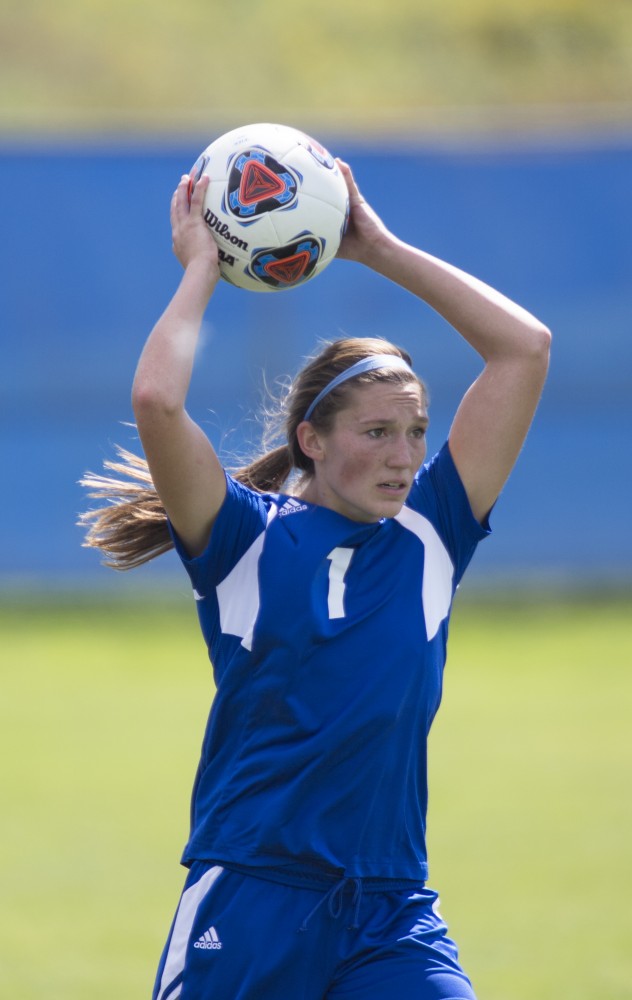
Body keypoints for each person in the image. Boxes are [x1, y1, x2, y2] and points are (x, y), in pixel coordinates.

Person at [80, 159, 551, 999]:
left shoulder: (431, 534)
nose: (406, 456)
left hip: (390, 909)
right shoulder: (243, 540)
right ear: (313, 440)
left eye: (416, 430)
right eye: (377, 431)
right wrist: (202, 267)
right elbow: (157, 398)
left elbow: (524, 348)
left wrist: (381, 250)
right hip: (252, 895)